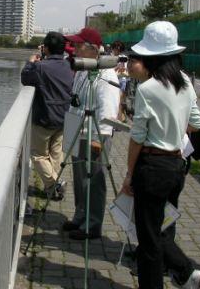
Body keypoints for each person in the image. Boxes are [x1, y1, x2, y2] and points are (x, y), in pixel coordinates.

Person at [120, 21, 200, 289]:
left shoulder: (148, 89)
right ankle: (183, 272)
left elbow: (137, 139)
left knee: (149, 239)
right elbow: (196, 124)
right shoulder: (187, 83)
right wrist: (174, 125)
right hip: (176, 165)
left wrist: (129, 174)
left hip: (152, 166)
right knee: (163, 225)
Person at [61, 28, 120, 240]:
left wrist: (100, 138)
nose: (74, 48)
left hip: (95, 134)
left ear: (92, 48)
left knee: (94, 180)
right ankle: (80, 215)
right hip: (77, 128)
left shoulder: (106, 73)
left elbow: (108, 109)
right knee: (78, 177)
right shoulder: (83, 69)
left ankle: (92, 225)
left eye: (78, 45)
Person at [21, 31, 74, 200]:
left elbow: (25, 78)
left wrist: (30, 63)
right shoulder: (67, 65)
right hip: (63, 117)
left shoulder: (40, 67)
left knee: (38, 155)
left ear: (46, 48)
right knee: (56, 153)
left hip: (45, 117)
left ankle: (54, 184)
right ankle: (52, 190)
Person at [111, 40, 129, 122]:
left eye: (119, 49)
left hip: (122, 80)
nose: (117, 50)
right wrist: (115, 69)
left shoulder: (124, 57)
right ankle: (119, 117)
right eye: (115, 48)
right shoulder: (110, 57)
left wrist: (124, 69)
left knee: (119, 100)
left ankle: (119, 119)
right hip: (112, 80)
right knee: (114, 100)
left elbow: (127, 71)